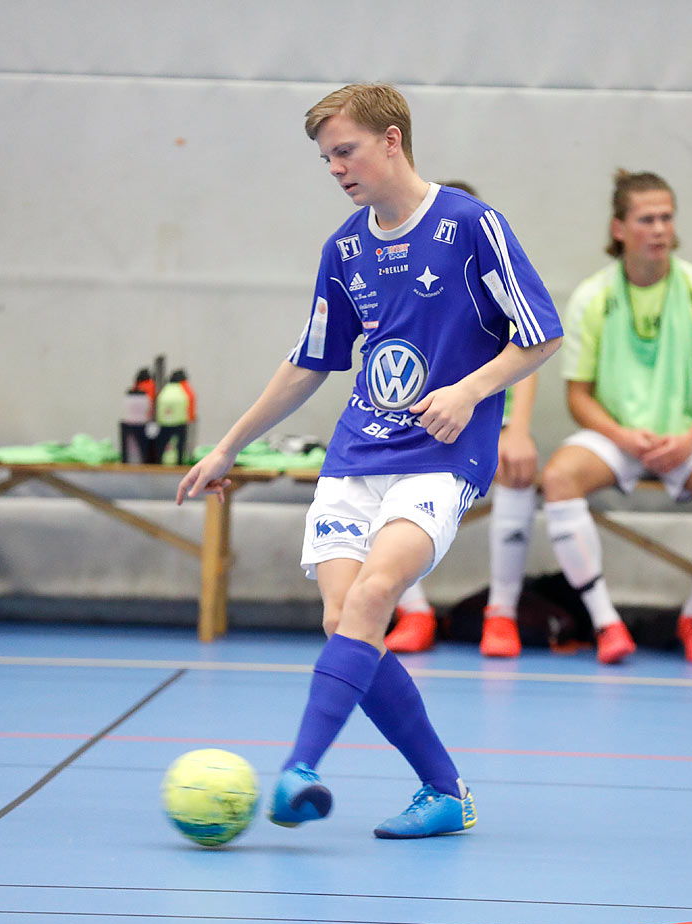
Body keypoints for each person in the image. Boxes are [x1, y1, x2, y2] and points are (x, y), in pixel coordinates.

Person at [176, 84, 561, 838]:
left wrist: (472, 390)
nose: (335, 169)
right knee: (344, 618)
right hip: (356, 456)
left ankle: (301, 766)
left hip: (440, 459)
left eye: (344, 151)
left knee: (376, 592)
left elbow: (541, 332)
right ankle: (445, 792)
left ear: (392, 141)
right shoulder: (346, 248)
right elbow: (309, 361)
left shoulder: (471, 225)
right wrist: (228, 444)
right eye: (325, 159)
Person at [541, 170, 692, 666]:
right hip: (617, 436)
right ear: (619, 228)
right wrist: (622, 436)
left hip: (689, 433)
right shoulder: (593, 297)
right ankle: (606, 623)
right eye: (647, 219)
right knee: (558, 478)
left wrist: (689, 438)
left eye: (667, 218)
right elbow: (578, 396)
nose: (660, 229)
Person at [385, 181, 542, 659]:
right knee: (377, 472)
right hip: (422, 423)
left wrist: (518, 430)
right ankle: (413, 611)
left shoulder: (493, 276)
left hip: (485, 422)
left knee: (518, 471)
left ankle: (502, 613)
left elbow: (533, 347)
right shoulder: (403, 280)